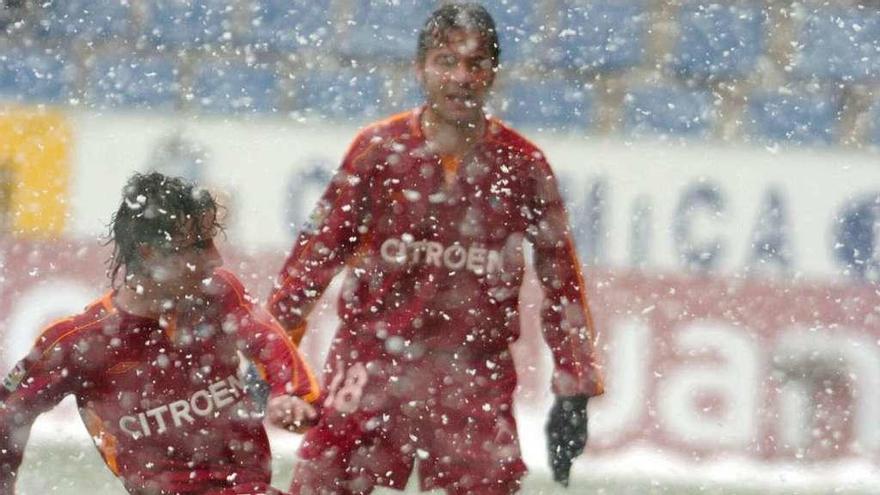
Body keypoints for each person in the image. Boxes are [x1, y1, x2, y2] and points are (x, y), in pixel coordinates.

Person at [269, 3, 604, 493]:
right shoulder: (379, 151)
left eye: (476, 64)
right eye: (447, 62)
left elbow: (562, 282)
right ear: (420, 68)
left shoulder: (523, 165)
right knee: (323, 483)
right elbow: (315, 257)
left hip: (473, 375)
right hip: (371, 364)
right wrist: (273, 361)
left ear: (493, 72)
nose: (462, 77)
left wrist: (574, 389)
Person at [0, 172, 319, 494]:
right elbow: (8, 413)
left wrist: (289, 393)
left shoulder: (220, 294)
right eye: (197, 246)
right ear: (151, 253)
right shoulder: (78, 341)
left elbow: (269, 343)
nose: (215, 259)